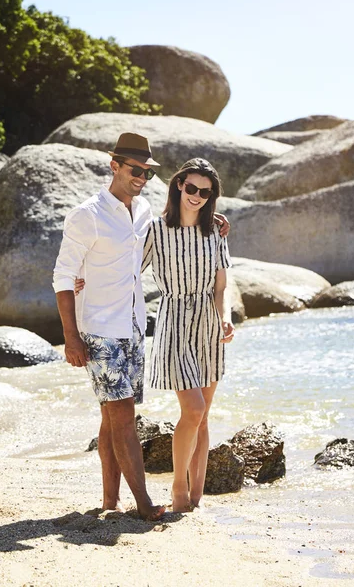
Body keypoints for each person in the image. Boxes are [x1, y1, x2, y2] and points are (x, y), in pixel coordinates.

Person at [53, 133, 229, 520]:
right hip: (99, 329)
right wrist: (70, 337)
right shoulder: (87, 214)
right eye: (135, 169)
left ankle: (109, 501)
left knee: (109, 417)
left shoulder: (144, 210)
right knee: (123, 415)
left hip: (133, 326)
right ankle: (145, 503)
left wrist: (208, 214)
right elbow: (63, 276)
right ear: (113, 165)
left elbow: (171, 235)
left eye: (147, 172)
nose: (141, 177)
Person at [141, 158, 235, 512]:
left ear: (211, 196)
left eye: (204, 192)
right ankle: (178, 488)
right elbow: (130, 271)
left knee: (204, 415)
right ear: (179, 184)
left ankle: (197, 495)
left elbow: (221, 286)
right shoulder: (155, 230)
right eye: (191, 188)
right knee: (193, 409)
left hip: (209, 326)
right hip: (174, 322)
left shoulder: (216, 232)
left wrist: (225, 319)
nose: (196, 196)